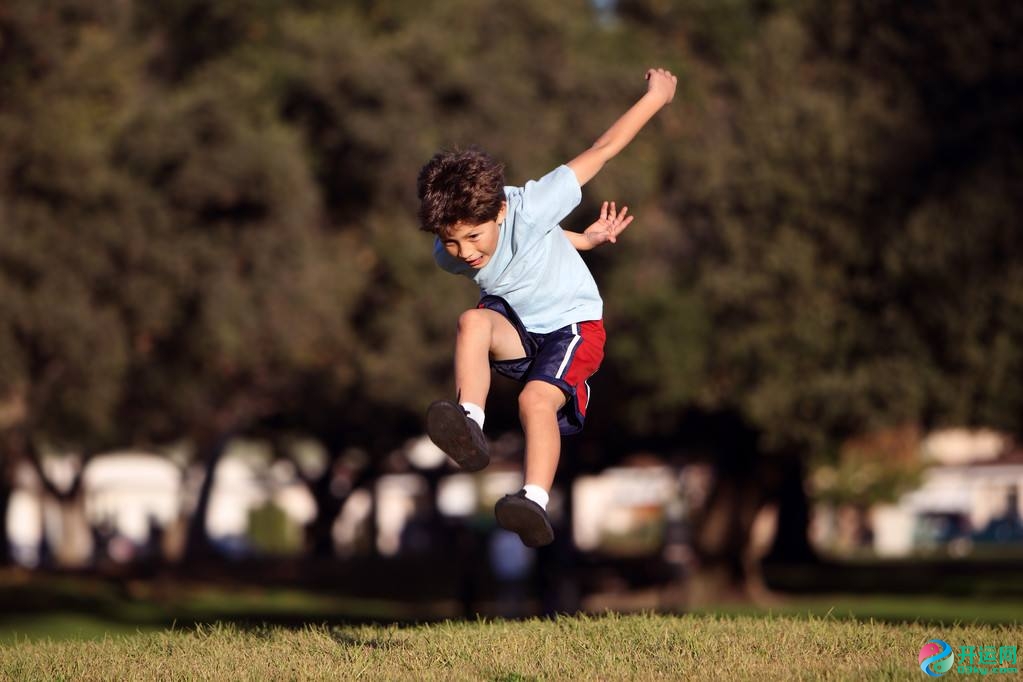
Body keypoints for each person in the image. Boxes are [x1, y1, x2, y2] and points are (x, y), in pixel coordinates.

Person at [416, 67, 677, 547]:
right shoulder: (448, 255)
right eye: (451, 242)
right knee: (472, 320)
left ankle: (532, 499)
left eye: (473, 237)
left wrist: (656, 98)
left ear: (498, 211)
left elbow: (603, 149)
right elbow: (535, 247)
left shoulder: (532, 205)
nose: (466, 252)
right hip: (517, 326)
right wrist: (585, 239)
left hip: (571, 327)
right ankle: (469, 423)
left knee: (534, 401)